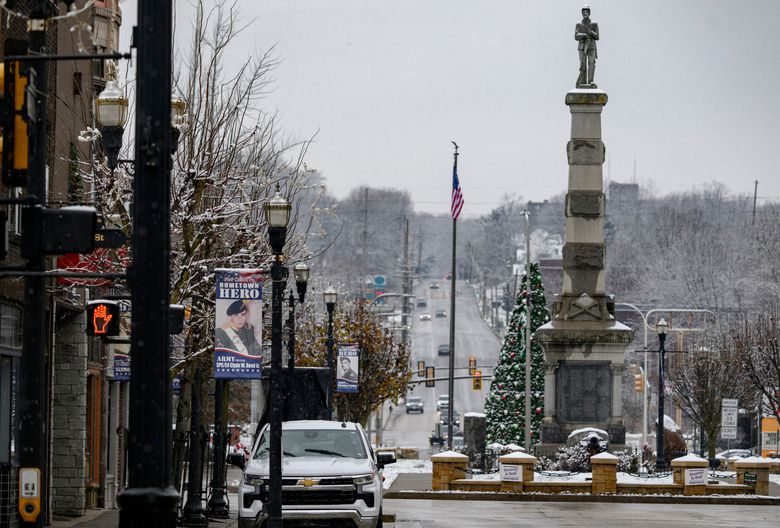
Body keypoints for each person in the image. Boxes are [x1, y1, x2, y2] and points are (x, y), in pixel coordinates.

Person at [575, 5, 599, 87]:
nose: (585, 13)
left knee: (591, 63)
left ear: (589, 13)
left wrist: (591, 32)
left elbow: (597, 36)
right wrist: (585, 34)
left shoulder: (594, 24)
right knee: (582, 63)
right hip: (582, 46)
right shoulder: (579, 24)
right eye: (583, 12)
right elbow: (576, 36)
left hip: (591, 45)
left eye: (586, 12)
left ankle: (590, 81)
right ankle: (583, 81)